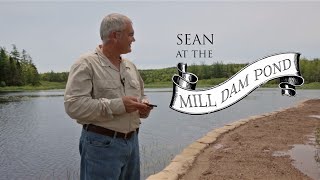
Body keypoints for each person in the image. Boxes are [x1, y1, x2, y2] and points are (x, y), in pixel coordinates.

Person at [64, 13, 153, 180]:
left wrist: (144, 106)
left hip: (132, 142)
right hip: (101, 145)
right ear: (115, 35)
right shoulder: (86, 64)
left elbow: (141, 94)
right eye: (130, 34)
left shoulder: (130, 66)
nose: (133, 39)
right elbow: (73, 106)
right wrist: (119, 105)